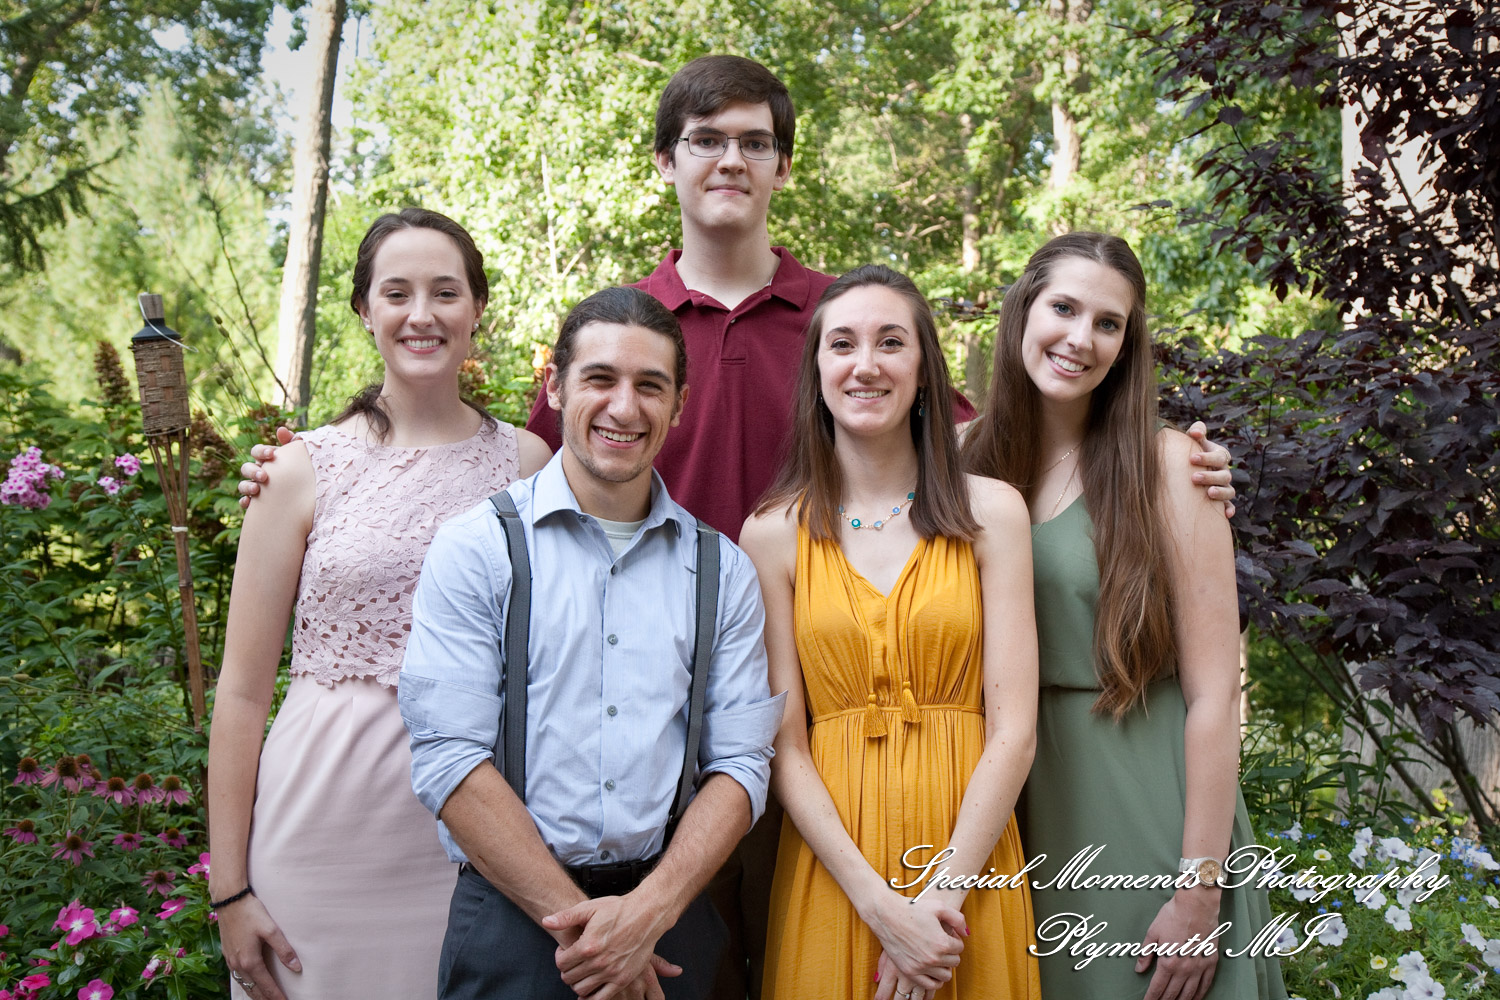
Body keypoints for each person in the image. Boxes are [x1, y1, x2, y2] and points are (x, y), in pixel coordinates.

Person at [397, 286, 784, 1000]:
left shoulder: (723, 569)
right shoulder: (477, 548)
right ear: (555, 386)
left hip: (672, 924)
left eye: (650, 386)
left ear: (680, 404)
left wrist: (648, 914)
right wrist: (596, 938)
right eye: (600, 379)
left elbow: (740, 764)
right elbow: (450, 758)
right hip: (512, 923)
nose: (624, 407)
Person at [206, 208, 551, 999]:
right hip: (320, 837)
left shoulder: (530, 465)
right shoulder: (297, 470)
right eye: (397, 293)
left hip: (478, 841)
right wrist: (229, 889)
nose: (421, 314)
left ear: (477, 309)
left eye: (445, 293)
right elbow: (242, 692)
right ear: (365, 310)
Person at [962, 232, 1287, 1000]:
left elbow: (1215, 695)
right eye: (1063, 308)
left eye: (1108, 323)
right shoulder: (956, 460)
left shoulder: (1170, 465)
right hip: (1005, 806)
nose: (1081, 338)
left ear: (1127, 346)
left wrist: (1199, 891)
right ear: (1022, 311)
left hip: (1145, 800)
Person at [741, 265, 1041, 1000]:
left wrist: (940, 901)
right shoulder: (771, 534)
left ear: (924, 369)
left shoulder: (991, 513)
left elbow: (1015, 731)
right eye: (842, 344)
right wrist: (881, 909)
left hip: (968, 867)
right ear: (817, 372)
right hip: (835, 870)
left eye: (891, 342)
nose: (866, 364)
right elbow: (786, 748)